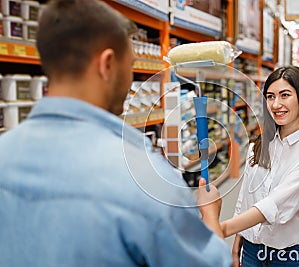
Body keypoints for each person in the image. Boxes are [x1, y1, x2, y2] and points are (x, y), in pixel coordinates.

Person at [0, 1, 232, 266]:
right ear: (107, 64)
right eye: (130, 64)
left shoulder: (4, 154)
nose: (131, 76)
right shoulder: (143, 178)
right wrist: (210, 216)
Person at [199, 66, 299, 267]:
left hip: (288, 256)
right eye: (270, 97)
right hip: (251, 251)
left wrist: (218, 226)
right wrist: (237, 244)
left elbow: (275, 205)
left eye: (284, 95)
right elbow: (245, 197)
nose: (276, 104)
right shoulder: (259, 144)